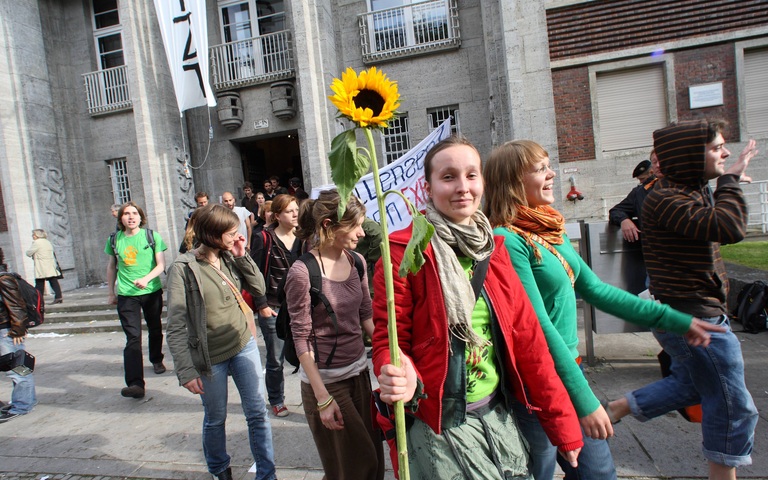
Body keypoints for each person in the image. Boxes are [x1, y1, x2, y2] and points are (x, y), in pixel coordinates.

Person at [482, 139, 723, 480]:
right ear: (511, 182)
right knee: (540, 473)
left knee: (598, 473)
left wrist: (673, 319)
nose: (552, 175)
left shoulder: (549, 229)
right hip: (536, 385)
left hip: (569, 371)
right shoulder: (507, 240)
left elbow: (596, 290)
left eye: (549, 166)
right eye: (540, 169)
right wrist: (584, 401)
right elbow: (539, 330)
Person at [374, 136, 583, 479]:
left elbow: (530, 344)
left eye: (472, 176)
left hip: (498, 417)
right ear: (427, 188)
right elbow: (388, 339)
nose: (462, 188)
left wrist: (563, 425)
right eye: (448, 177)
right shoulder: (401, 251)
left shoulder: (495, 251)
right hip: (439, 425)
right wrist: (398, 370)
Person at [606, 119, 760, 480]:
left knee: (694, 384)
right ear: (691, 156)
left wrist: (726, 180)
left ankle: (617, 408)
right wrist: (729, 180)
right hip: (690, 318)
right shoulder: (664, 197)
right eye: (715, 147)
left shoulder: (688, 190)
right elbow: (729, 227)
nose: (725, 153)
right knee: (733, 404)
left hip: (698, 312)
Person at [166, 204, 276, 480]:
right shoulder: (183, 268)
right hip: (209, 356)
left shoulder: (229, 256)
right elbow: (176, 324)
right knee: (215, 418)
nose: (236, 236)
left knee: (257, 413)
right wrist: (185, 370)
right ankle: (219, 470)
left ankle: (267, 472)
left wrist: (242, 256)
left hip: (242, 344)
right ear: (212, 234)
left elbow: (259, 288)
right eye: (230, 233)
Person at [283, 191, 384, 480]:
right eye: (355, 226)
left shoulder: (357, 262)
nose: (362, 233)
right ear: (329, 225)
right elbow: (301, 337)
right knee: (351, 468)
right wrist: (323, 399)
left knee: (373, 463)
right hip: (327, 384)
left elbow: (366, 313)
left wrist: (388, 353)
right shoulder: (303, 272)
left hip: (360, 376)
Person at [105, 201, 168, 398]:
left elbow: (161, 265)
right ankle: (135, 384)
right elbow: (111, 266)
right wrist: (110, 293)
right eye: (126, 214)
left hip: (151, 291)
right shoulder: (115, 239)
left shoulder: (151, 236)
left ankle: (156, 358)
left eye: (134, 213)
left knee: (155, 327)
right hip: (127, 295)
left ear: (141, 217)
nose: (131, 217)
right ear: (120, 218)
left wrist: (146, 279)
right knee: (133, 338)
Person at [250, 194, 302, 417]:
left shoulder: (303, 238)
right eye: (290, 211)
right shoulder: (263, 238)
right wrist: (261, 305)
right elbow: (253, 274)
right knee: (275, 359)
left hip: (300, 305)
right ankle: (277, 399)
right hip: (273, 307)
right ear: (278, 215)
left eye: (296, 209)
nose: (295, 213)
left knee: (309, 354)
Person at [0, 248, 37, 423]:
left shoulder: (3, 278)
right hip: (5, 329)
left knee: (18, 369)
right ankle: (24, 400)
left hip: (7, 330)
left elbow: (16, 306)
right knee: (14, 368)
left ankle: (22, 405)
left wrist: (18, 330)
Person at [608, 156, 658, 242]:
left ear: (651, 172)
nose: (641, 182)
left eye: (642, 179)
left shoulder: (674, 185)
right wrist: (624, 220)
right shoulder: (638, 193)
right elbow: (615, 211)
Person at [26, 229, 63, 304]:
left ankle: (38, 299)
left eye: (33, 235)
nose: (33, 236)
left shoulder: (37, 243)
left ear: (37, 235)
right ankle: (59, 297)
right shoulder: (47, 242)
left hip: (42, 265)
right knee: (53, 281)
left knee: (39, 283)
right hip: (50, 264)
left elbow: (28, 253)